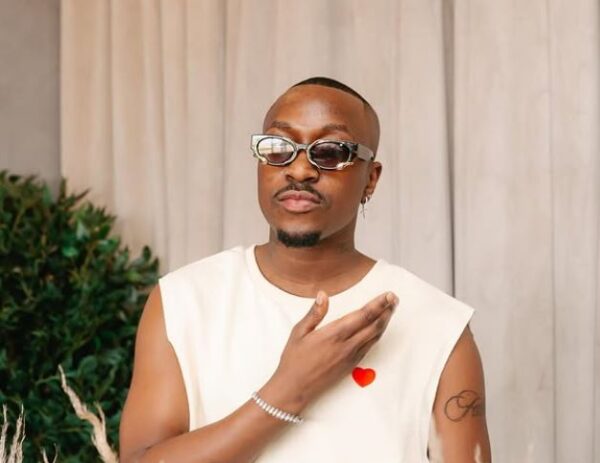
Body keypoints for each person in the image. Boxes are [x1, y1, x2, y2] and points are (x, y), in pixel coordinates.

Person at [119, 77, 491, 463]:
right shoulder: (182, 302)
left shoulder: (439, 325)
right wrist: (288, 390)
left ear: (371, 178)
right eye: (278, 148)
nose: (299, 170)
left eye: (330, 152)